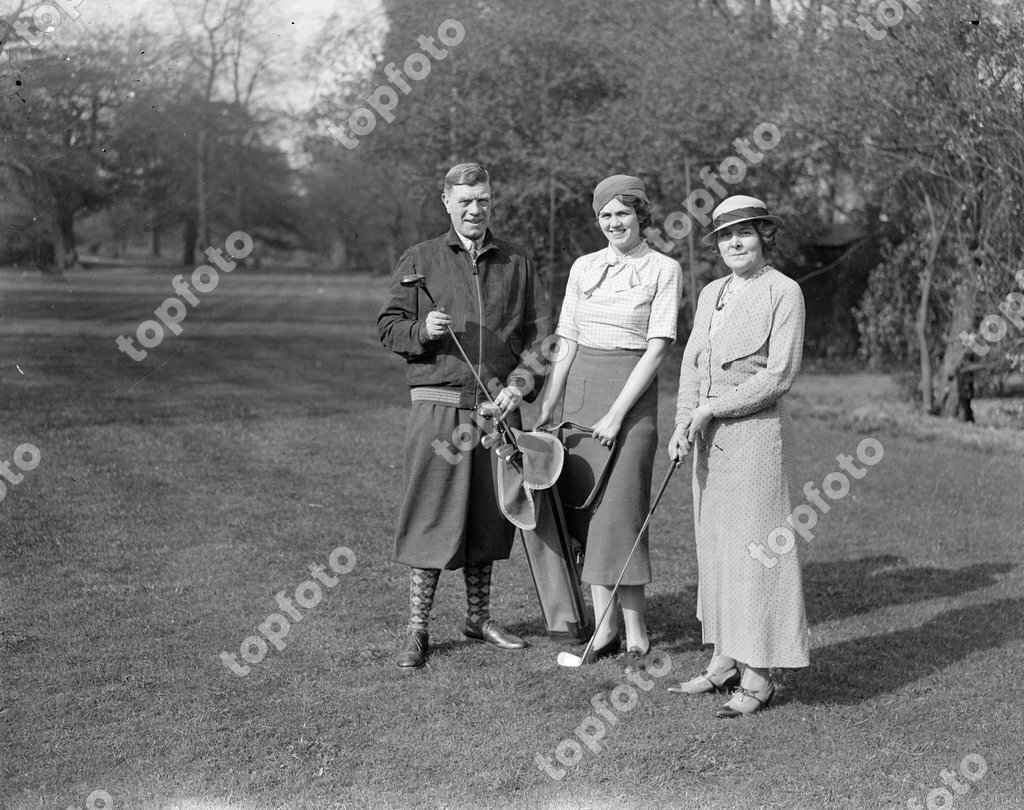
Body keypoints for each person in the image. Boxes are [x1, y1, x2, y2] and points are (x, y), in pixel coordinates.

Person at [377, 162, 548, 669]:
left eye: (484, 201)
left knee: (489, 516)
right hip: (439, 410)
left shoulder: (516, 262)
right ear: (447, 202)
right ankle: (417, 629)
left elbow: (537, 340)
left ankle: (478, 619)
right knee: (430, 514)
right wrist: (423, 329)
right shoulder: (421, 259)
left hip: (497, 413)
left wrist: (522, 386)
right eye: (466, 201)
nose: (476, 210)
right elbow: (389, 327)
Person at [666, 194, 810, 717]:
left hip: (755, 441)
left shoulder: (784, 292)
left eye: (744, 233)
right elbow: (690, 365)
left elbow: (778, 376)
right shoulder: (710, 293)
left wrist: (712, 410)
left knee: (754, 555)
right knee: (717, 550)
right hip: (709, 445)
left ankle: (758, 676)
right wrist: (684, 423)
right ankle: (723, 660)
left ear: (763, 236)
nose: (734, 243)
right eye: (725, 236)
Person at [536, 174, 682, 670]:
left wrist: (618, 414)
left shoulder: (664, 268)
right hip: (580, 393)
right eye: (605, 215)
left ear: (642, 215)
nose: (614, 223)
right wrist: (549, 402)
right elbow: (567, 338)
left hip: (631, 397)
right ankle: (607, 630)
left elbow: (658, 346)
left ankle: (634, 632)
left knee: (621, 509)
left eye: (623, 213)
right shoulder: (584, 267)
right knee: (587, 511)